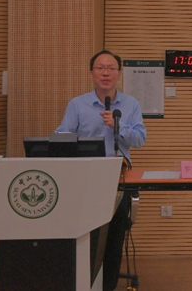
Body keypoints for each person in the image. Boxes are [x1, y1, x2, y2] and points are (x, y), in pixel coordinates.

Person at [56, 49, 146, 291]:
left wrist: (119, 126)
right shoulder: (78, 104)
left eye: (111, 68)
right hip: (85, 181)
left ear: (119, 73)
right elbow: (62, 138)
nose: (106, 73)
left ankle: (108, 287)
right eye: (100, 68)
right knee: (86, 237)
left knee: (114, 241)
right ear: (92, 73)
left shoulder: (131, 104)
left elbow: (140, 139)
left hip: (118, 180)